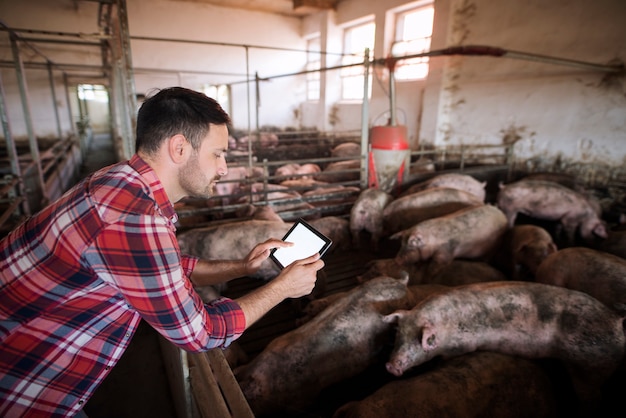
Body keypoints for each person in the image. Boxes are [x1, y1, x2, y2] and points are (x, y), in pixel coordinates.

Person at [0, 87, 324, 417]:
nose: (224, 168)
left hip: (29, 357)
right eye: (218, 154)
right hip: (25, 386)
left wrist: (241, 267)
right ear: (179, 148)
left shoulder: (117, 181)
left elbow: (162, 267)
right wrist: (283, 287)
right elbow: (203, 333)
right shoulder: (137, 219)